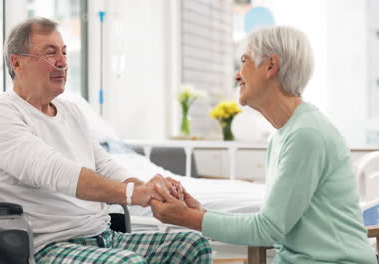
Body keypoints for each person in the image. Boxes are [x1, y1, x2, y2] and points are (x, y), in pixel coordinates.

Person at [0, 17, 212, 264]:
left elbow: (105, 167)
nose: (62, 62)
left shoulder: (71, 112)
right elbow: (52, 171)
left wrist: (153, 191)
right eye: (50, 53)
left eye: (64, 52)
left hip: (103, 236)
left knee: (193, 246)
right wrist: (131, 193)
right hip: (45, 247)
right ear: (17, 62)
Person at [150, 26, 377, 263]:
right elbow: (272, 223)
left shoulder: (307, 134)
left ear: (271, 66)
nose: (237, 75)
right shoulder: (282, 136)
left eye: (244, 62)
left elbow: (268, 228)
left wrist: (186, 218)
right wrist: (198, 212)